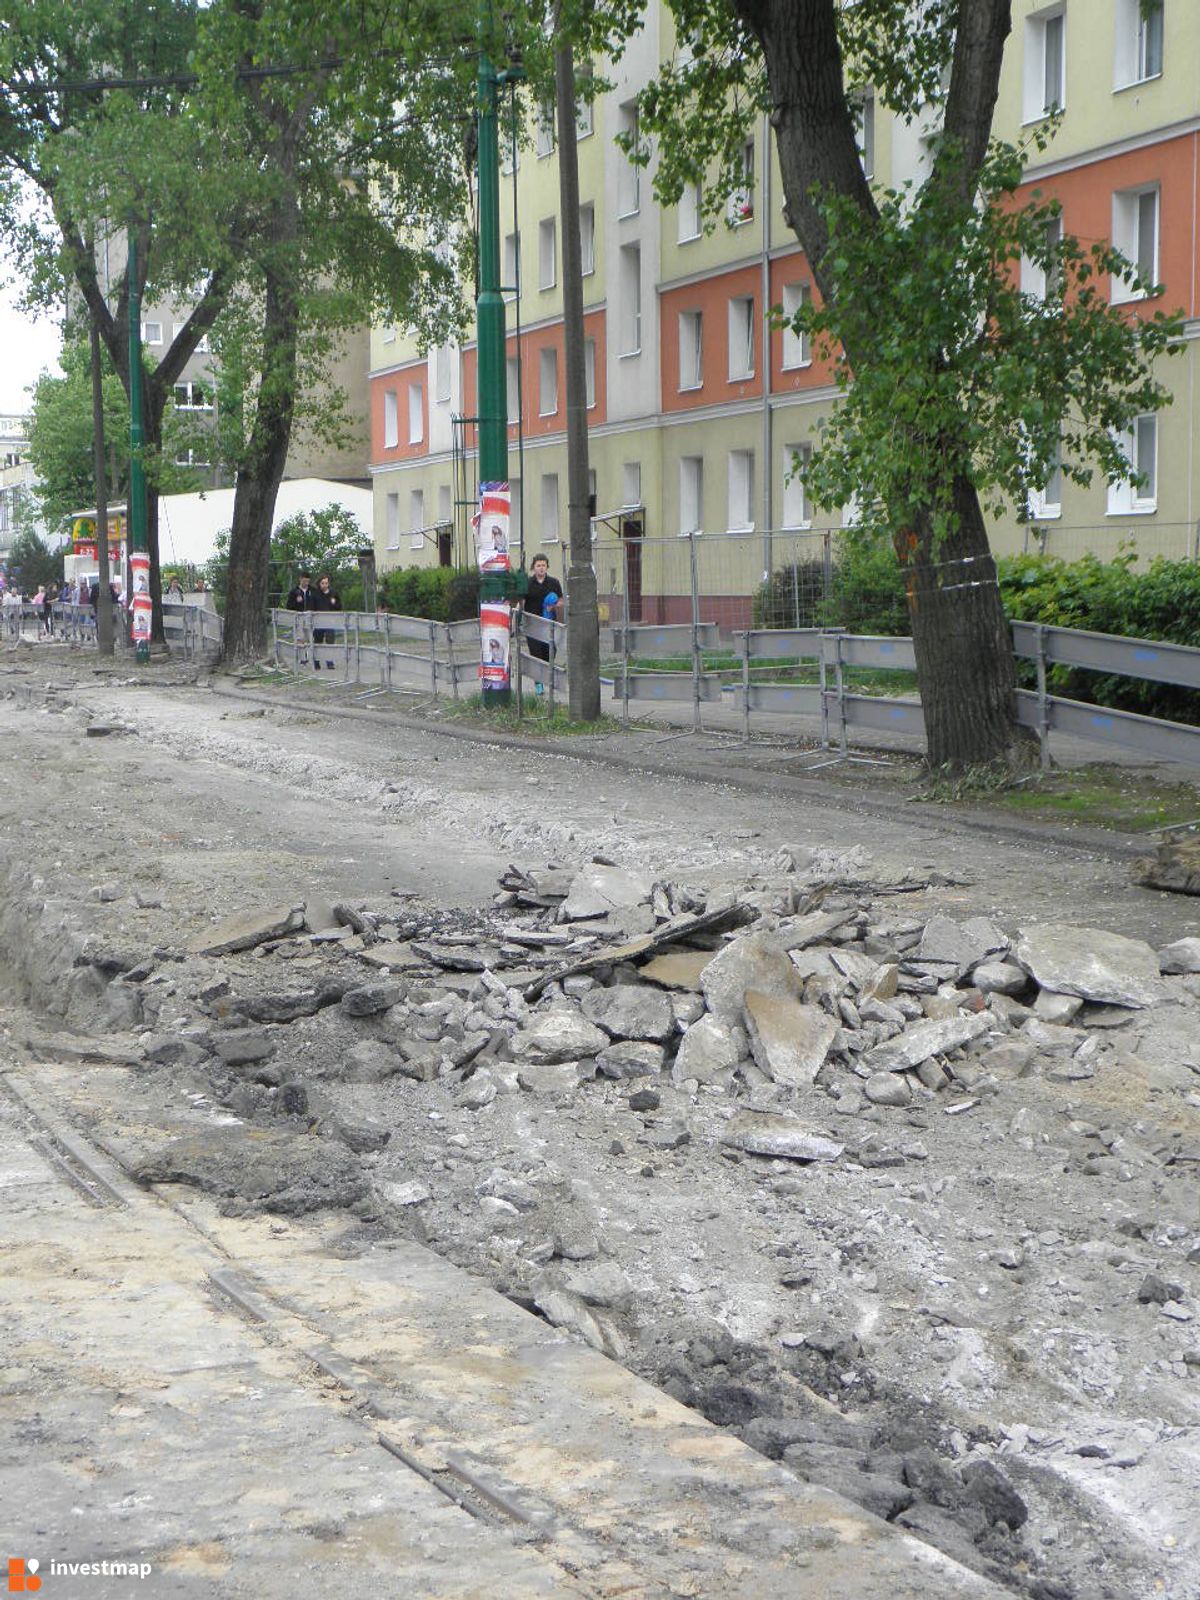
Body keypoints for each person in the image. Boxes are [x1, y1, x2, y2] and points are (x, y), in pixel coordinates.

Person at [522, 554, 564, 695]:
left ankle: (546, 679)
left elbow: (561, 600)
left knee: (549, 654)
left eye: (543, 565)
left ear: (547, 567)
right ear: (533, 567)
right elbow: (521, 601)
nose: (541, 568)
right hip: (532, 625)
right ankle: (538, 684)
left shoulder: (554, 583)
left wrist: (554, 606)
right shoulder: (528, 583)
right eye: (538, 565)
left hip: (549, 625)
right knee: (536, 655)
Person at [311, 572, 342, 671]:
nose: (324, 585)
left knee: (330, 642)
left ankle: (330, 662)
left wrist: (334, 603)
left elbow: (339, 607)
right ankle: (316, 662)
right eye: (322, 583)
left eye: (326, 583)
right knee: (318, 642)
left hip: (330, 621)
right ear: (319, 584)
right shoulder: (315, 594)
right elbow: (312, 608)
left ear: (328, 583)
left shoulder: (333, 593)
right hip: (318, 622)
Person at [285, 571, 317, 664]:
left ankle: (310, 656)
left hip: (309, 618)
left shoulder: (313, 591)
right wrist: (297, 602)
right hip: (298, 618)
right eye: (304, 581)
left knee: (309, 638)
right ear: (300, 579)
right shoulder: (294, 592)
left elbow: (316, 603)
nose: (306, 583)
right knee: (300, 638)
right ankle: (302, 658)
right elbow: (289, 606)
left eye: (307, 581)